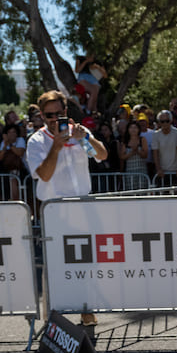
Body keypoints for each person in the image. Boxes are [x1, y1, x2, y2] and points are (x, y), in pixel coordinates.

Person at [26, 90, 108, 327]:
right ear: (42, 115)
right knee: (57, 264)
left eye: (58, 113)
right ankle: (55, 315)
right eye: (49, 115)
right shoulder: (36, 141)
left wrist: (88, 139)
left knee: (86, 262)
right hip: (55, 211)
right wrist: (57, 147)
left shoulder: (79, 133)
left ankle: (85, 308)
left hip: (83, 207)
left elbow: (101, 155)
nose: (54, 119)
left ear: (65, 111)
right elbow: (43, 174)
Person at [150, 110, 177, 187]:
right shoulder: (156, 135)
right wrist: (158, 169)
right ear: (159, 122)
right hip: (162, 171)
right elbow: (155, 153)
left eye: (167, 121)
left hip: (176, 171)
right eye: (162, 121)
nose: (165, 123)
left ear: (171, 121)